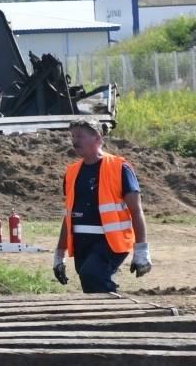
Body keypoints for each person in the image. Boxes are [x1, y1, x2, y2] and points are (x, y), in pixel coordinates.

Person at [54, 120, 152, 293]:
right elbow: (68, 216)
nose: (75, 141)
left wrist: (142, 251)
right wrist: (59, 254)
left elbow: (136, 211)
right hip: (81, 242)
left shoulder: (119, 168)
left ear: (97, 138)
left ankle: (119, 315)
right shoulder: (72, 172)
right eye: (73, 136)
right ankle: (108, 316)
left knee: (92, 276)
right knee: (90, 283)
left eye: (80, 136)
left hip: (111, 242)